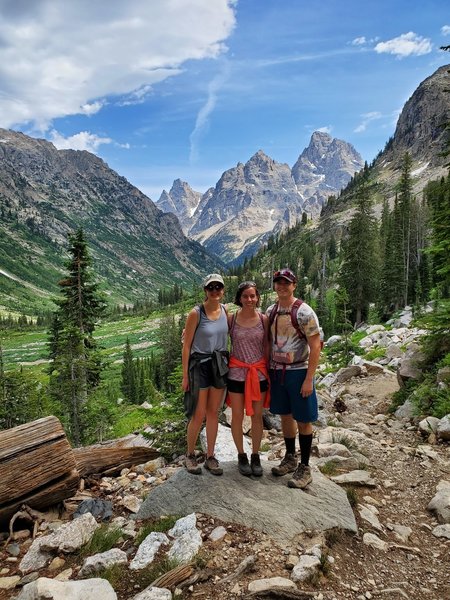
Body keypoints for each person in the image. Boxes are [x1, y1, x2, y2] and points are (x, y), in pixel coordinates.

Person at [266, 268, 321, 489]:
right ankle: (290, 458)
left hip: (299, 371)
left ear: (294, 285)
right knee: (285, 417)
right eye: (278, 282)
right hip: (278, 371)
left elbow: (316, 346)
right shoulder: (271, 310)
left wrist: (309, 379)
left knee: (303, 419)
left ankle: (305, 467)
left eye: (286, 283)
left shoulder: (304, 312)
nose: (281, 286)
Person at [182, 274, 229, 476]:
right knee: (198, 413)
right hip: (200, 365)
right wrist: (185, 376)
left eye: (218, 287)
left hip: (218, 365)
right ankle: (190, 454)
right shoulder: (196, 313)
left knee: (213, 412)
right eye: (211, 288)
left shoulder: (226, 311)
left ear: (223, 290)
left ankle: (210, 456)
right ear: (205, 291)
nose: (215, 291)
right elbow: (186, 346)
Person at [227, 281, 270, 477]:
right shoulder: (231, 319)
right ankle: (241, 454)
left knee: (256, 416)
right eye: (245, 296)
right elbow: (216, 333)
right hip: (236, 373)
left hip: (258, 373)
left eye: (252, 296)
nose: (249, 300)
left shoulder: (264, 319)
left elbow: (267, 345)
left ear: (257, 297)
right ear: (239, 299)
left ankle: (255, 455)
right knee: (237, 416)